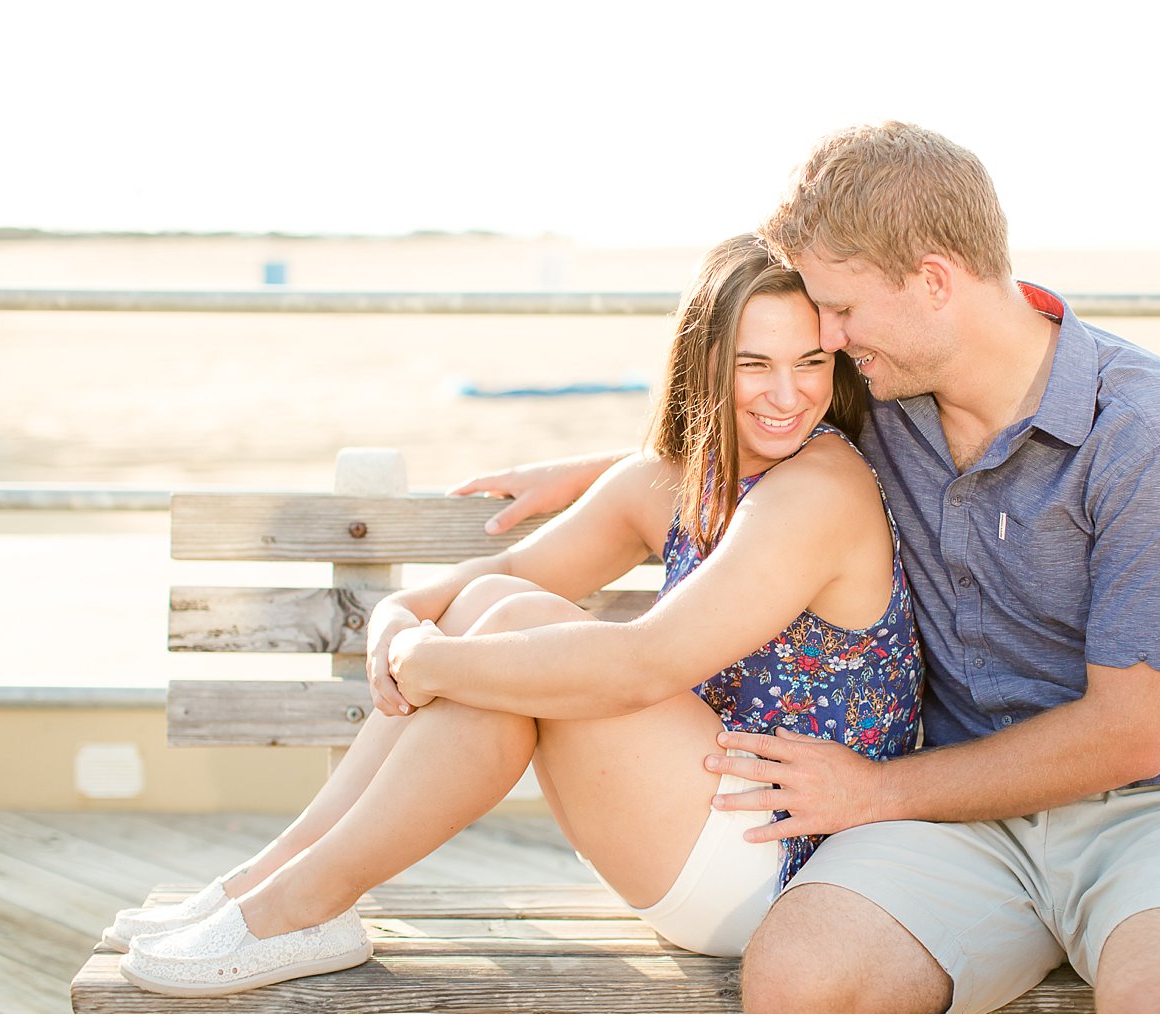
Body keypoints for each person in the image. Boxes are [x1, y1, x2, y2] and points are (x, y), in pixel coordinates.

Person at [456, 123, 1160, 1013]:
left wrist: (877, 789)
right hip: (961, 813)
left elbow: (1133, 733)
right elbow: (759, 425)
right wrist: (606, 470)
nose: (826, 335)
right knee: (799, 975)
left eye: (841, 309)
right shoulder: (887, 391)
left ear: (933, 281)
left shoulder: (1146, 432)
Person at [108, 233, 923, 998]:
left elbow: (644, 664)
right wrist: (400, 612)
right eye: (755, 364)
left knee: (497, 642)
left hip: (784, 865)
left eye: (811, 361)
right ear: (706, 361)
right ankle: (272, 882)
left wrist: (429, 662)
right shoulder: (670, 479)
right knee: (492, 610)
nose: (789, 394)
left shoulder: (821, 485)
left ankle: (304, 902)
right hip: (694, 824)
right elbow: (500, 575)